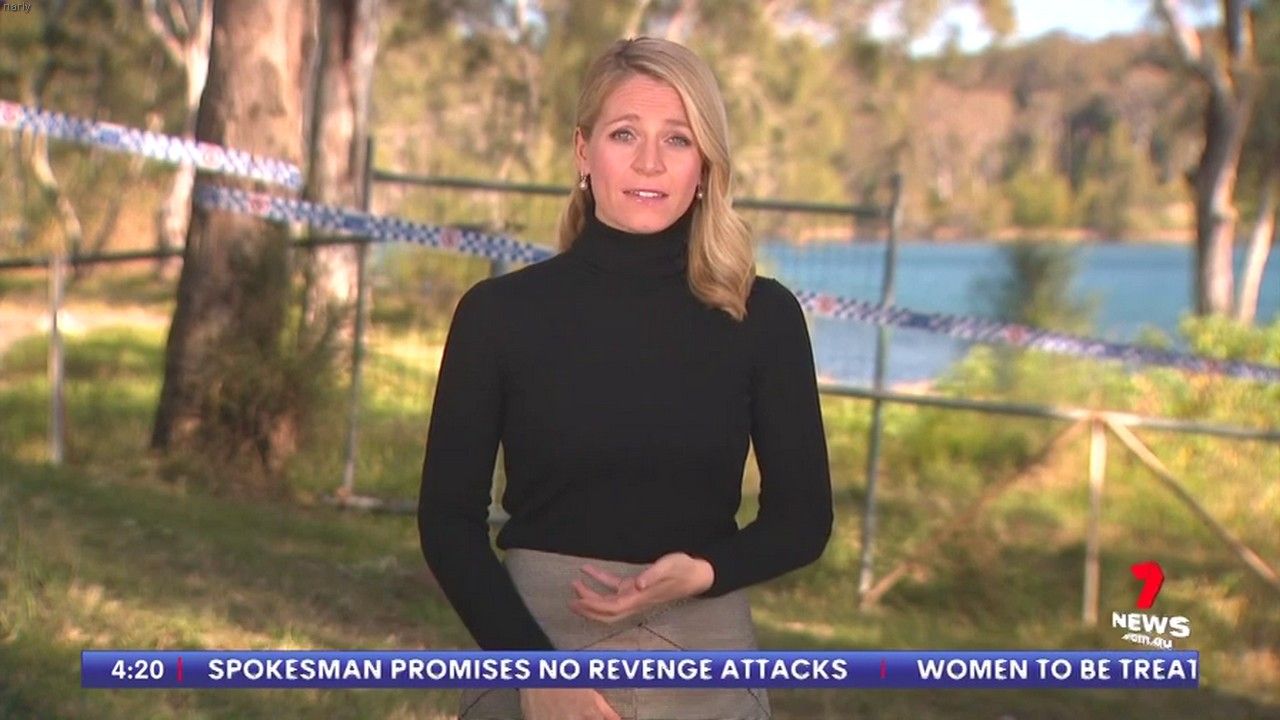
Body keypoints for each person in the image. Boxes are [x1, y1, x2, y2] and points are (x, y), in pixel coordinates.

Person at [418, 36, 833, 720]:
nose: (649, 162)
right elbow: (446, 521)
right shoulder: (498, 314)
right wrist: (535, 673)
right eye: (624, 134)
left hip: (704, 655)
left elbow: (803, 518)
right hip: (531, 642)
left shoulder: (762, 317)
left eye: (677, 139)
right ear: (583, 152)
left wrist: (704, 572)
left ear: (705, 164)